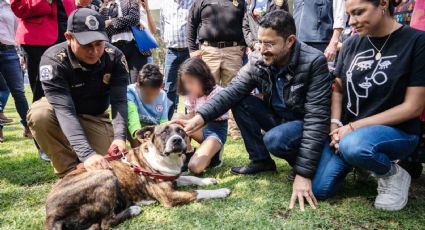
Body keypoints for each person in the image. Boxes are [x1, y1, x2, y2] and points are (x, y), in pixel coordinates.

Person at [179, 10, 331, 210]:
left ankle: (303, 163)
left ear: (290, 41)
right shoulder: (258, 60)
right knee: (240, 100)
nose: (262, 49)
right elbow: (231, 92)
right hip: (278, 119)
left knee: (278, 141)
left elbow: (316, 119)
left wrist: (303, 172)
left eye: (269, 43)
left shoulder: (314, 61)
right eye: (260, 42)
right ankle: (261, 161)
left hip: (302, 124)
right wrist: (199, 117)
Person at [312, 0, 425, 211]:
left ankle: (393, 174)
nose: (352, 21)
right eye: (349, 15)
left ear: (383, 3)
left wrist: (353, 128)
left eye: (358, 12)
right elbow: (338, 88)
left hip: (398, 133)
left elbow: (413, 107)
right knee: (320, 189)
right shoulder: (351, 43)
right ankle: (363, 163)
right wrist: (335, 125)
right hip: (348, 133)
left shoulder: (417, 41)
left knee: (355, 146)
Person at [27, 8, 129, 178]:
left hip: (94, 116)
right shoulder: (53, 61)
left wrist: (119, 136)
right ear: (69, 37)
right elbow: (64, 111)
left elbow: (119, 101)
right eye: (87, 45)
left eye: (99, 44)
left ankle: (84, 153)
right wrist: (87, 155)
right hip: (60, 113)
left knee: (110, 167)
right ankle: (69, 172)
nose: (94, 51)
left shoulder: (115, 57)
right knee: (39, 114)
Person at [187, 0, 246, 139]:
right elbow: (191, 23)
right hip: (208, 51)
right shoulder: (201, 1)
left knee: (235, 91)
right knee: (206, 92)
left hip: (234, 50)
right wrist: (192, 49)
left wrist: (246, 44)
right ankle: (205, 127)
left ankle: (236, 130)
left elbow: (245, 23)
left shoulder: (241, 1)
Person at [10, 0, 76, 102]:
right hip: (39, 40)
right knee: (41, 93)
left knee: (73, 86)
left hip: (69, 36)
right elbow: (19, 8)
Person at [174, 58, 228, 174]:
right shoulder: (190, 94)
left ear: (202, 77)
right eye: (185, 82)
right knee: (177, 118)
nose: (188, 86)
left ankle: (215, 155)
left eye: (191, 81)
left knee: (194, 167)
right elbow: (191, 118)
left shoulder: (218, 92)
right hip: (200, 129)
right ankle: (188, 153)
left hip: (215, 132)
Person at [0, 0, 31, 142]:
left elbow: (18, 31)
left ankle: (28, 127)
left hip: (9, 51)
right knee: (2, 89)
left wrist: (21, 53)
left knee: (18, 91)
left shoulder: (10, 6)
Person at [160, 0, 195, 119]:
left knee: (191, 85)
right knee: (169, 87)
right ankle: (167, 120)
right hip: (172, 51)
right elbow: (162, 25)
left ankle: (190, 119)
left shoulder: (193, 2)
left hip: (190, 51)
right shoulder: (165, 4)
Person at [127, 64, 171, 147]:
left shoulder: (163, 95)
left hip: (154, 130)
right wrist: (138, 133)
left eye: (155, 94)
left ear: (161, 88)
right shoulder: (130, 91)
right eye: (147, 94)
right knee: (128, 125)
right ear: (138, 86)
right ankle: (136, 152)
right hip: (137, 129)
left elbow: (163, 122)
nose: (151, 98)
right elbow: (132, 115)